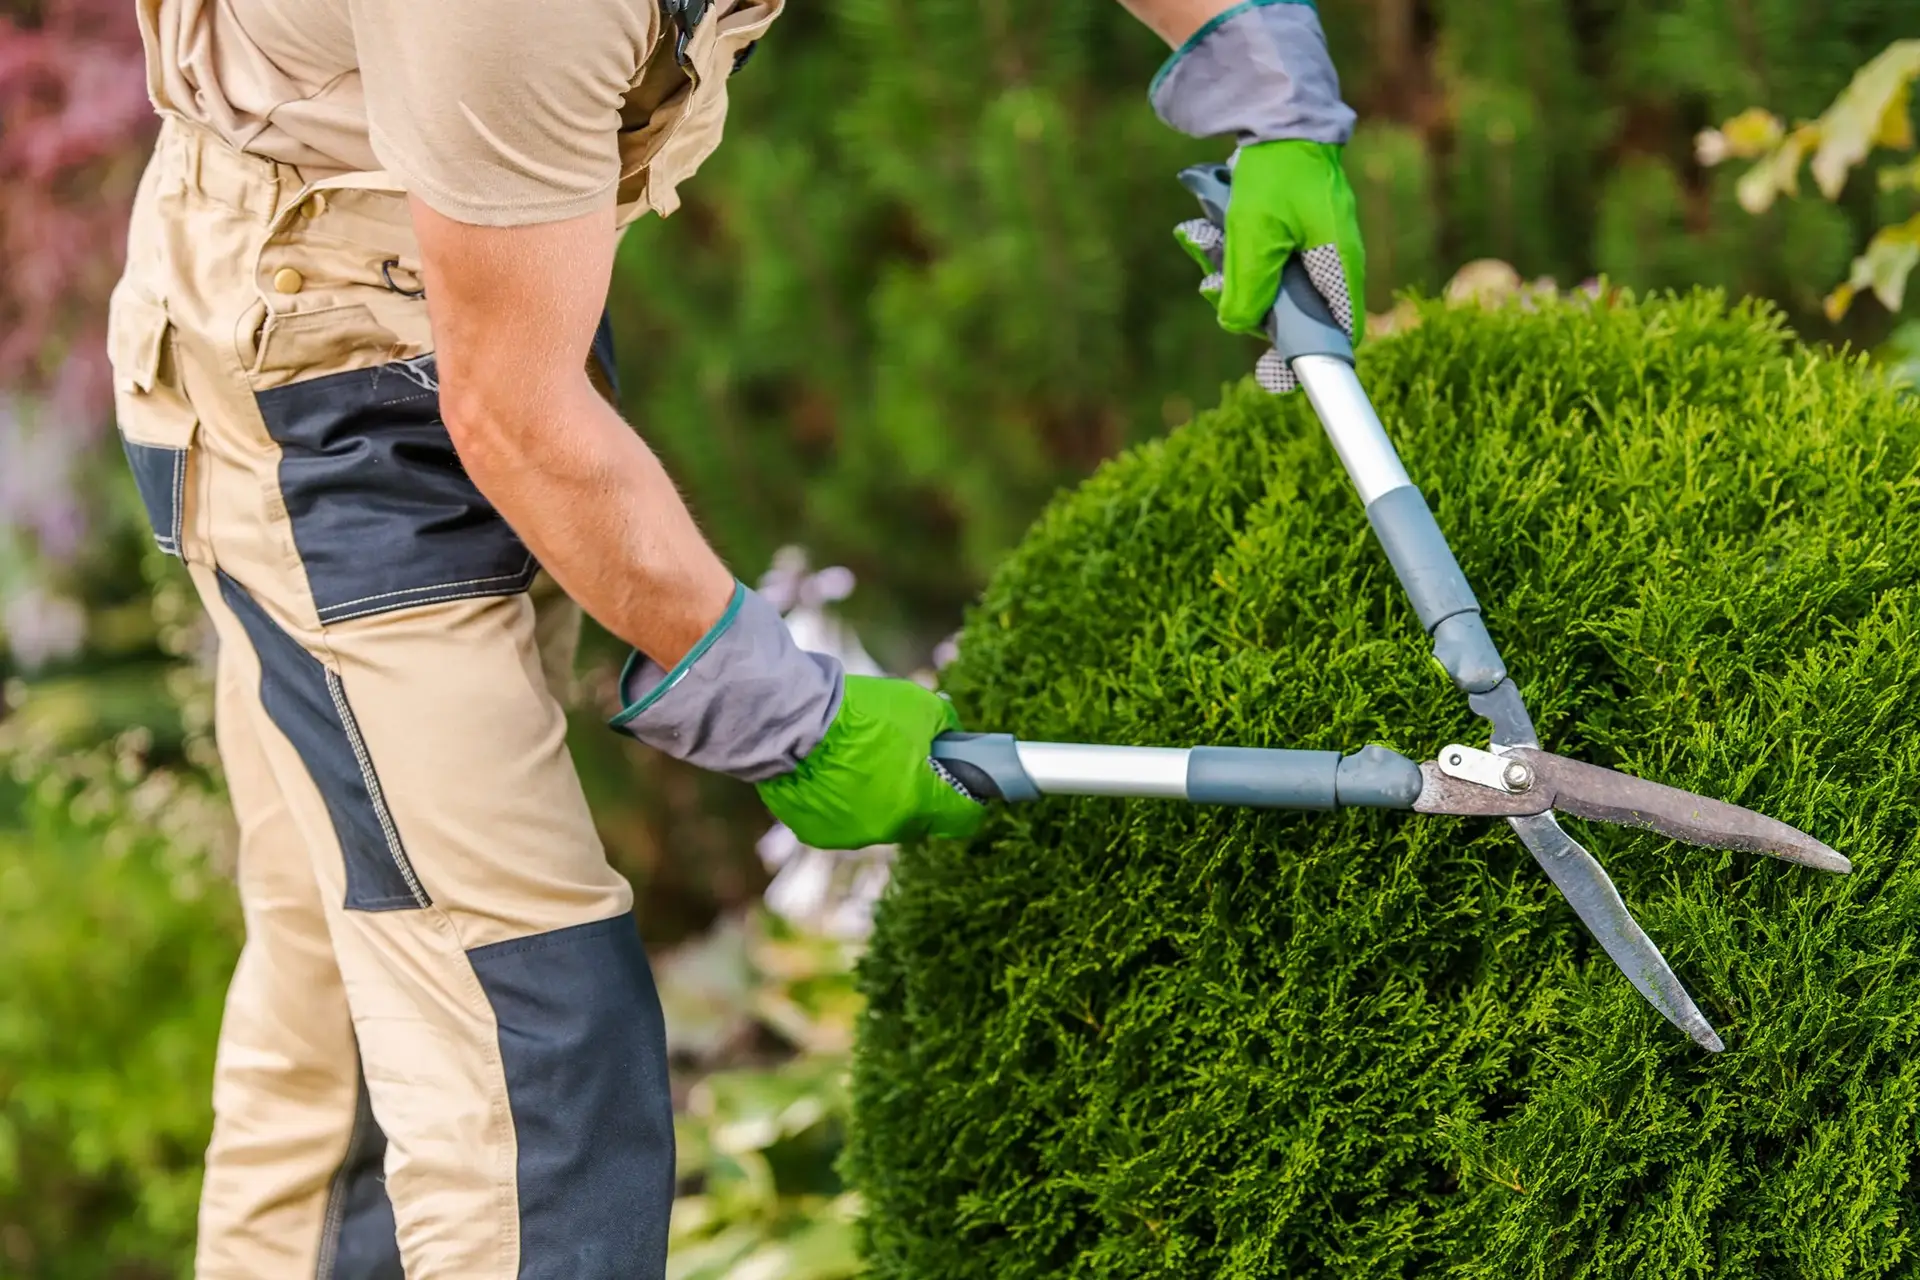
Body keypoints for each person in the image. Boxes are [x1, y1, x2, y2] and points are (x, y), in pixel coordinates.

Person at [108, 0, 1365, 1273]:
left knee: (361, 986)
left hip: (476, 278)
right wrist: (789, 718)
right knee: (526, 1045)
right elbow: (516, 410)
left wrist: (1259, 79)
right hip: (319, 375)